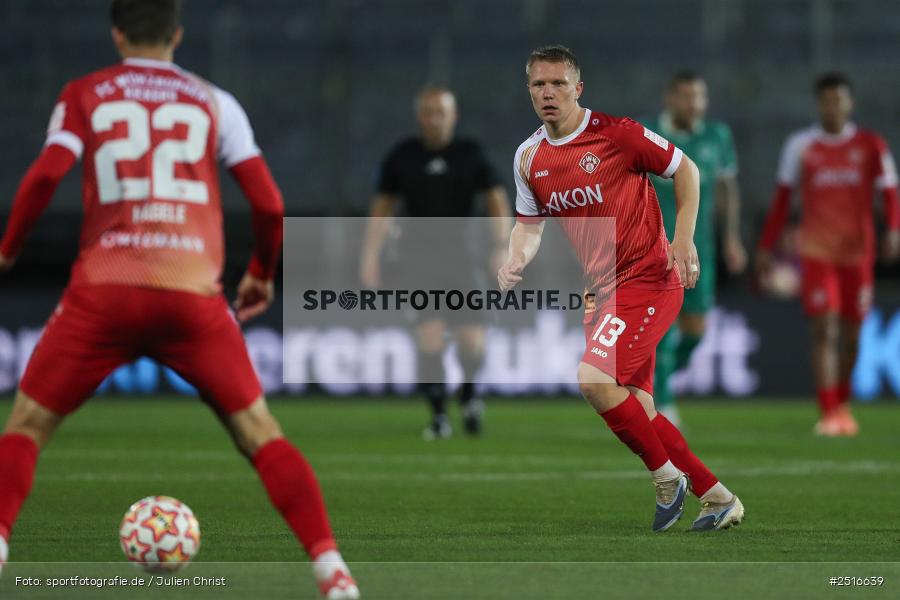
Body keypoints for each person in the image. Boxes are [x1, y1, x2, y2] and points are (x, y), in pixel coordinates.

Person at [0, 2, 359, 597]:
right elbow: (269, 203)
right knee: (260, 433)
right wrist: (262, 273)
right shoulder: (214, 101)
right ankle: (332, 570)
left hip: (104, 292)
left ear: (116, 33)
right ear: (177, 34)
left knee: (28, 426)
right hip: (191, 293)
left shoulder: (85, 92)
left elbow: (45, 175)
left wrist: (8, 249)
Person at [498, 45, 743, 531]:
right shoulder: (529, 158)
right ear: (529, 90)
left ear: (578, 88)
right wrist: (515, 258)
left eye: (559, 84)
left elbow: (687, 170)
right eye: (538, 85)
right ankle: (718, 498)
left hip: (649, 278)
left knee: (593, 380)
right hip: (603, 291)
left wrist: (684, 239)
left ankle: (666, 479)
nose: (549, 93)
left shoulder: (619, 135)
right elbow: (529, 226)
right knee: (642, 410)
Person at [360, 86, 511, 440]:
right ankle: (440, 415)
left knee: (471, 341)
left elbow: (496, 200)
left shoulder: (470, 153)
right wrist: (370, 255)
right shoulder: (403, 156)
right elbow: (382, 208)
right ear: (419, 116)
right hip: (418, 262)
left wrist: (502, 245)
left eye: (440, 112)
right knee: (428, 338)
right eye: (428, 112)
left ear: (453, 115)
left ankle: (470, 393)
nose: (434, 119)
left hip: (464, 258)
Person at [757, 72, 899, 437]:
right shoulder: (800, 145)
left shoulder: (871, 145)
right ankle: (827, 411)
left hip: (857, 253)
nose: (833, 107)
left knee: (852, 335)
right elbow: (783, 199)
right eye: (827, 101)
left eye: (840, 100)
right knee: (824, 326)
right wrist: (765, 246)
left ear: (849, 103)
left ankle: (842, 403)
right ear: (818, 104)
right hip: (817, 251)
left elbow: (891, 194)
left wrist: (894, 231)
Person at [643, 72, 746, 426]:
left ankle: (659, 382)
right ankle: (664, 404)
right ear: (669, 98)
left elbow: (726, 188)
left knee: (696, 330)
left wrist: (730, 237)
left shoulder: (717, 137)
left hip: (698, 247)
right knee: (662, 327)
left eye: (700, 97)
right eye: (687, 96)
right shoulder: (648, 134)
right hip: (651, 249)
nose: (695, 104)